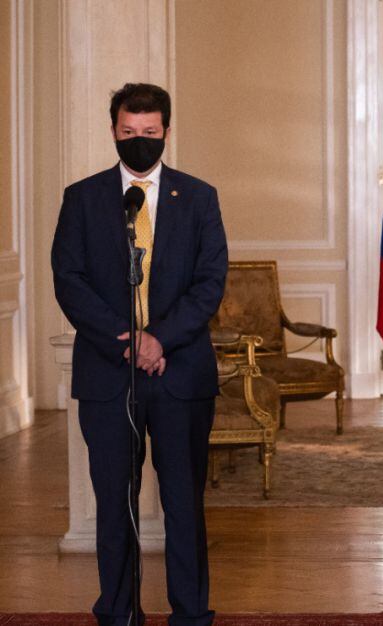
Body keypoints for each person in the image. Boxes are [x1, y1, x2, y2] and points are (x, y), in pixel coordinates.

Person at [52, 82, 227, 625]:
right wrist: (127, 339)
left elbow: (209, 280)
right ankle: (119, 613)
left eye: (150, 134)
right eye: (129, 133)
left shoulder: (198, 197)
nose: (139, 142)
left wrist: (160, 339)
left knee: (183, 504)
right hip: (109, 374)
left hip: (181, 375)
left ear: (166, 133)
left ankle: (191, 614)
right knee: (115, 504)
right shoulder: (83, 198)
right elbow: (70, 279)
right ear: (113, 131)